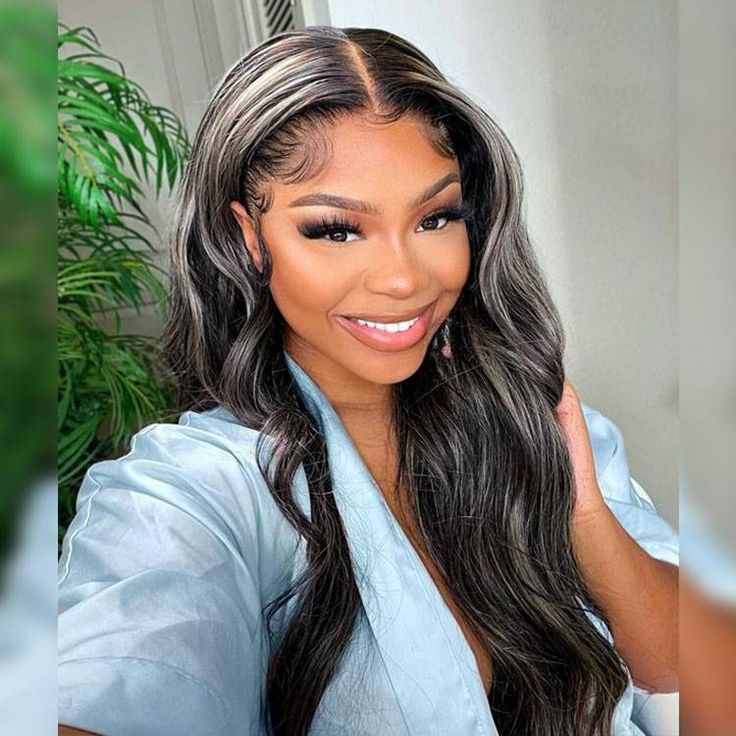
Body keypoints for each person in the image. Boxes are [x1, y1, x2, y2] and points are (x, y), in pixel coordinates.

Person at [58, 25, 679, 736]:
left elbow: (677, 663)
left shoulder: (544, 430)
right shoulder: (197, 492)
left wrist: (582, 518)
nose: (403, 278)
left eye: (435, 218)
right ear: (248, 236)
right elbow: (113, 682)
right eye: (335, 230)